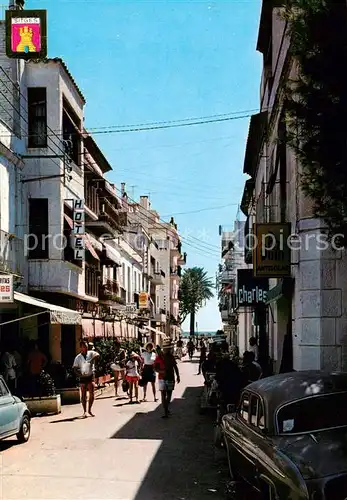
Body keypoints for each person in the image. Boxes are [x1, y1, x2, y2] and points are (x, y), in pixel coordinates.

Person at [73, 341, 99, 417]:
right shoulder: (78, 357)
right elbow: (74, 368)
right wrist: (79, 375)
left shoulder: (91, 353)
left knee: (92, 394)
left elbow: (98, 355)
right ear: (81, 348)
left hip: (90, 376)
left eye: (86, 346)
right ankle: (85, 411)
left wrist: (91, 360)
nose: (86, 348)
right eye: (84, 346)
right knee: (83, 395)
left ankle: (89, 410)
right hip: (82, 377)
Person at [155, 339, 180, 418]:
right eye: (168, 349)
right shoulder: (162, 357)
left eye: (169, 349)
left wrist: (178, 375)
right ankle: (166, 410)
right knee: (166, 394)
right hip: (165, 378)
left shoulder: (168, 357)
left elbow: (175, 367)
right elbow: (155, 368)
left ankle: (166, 409)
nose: (169, 350)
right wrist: (178, 376)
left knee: (166, 394)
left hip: (167, 378)